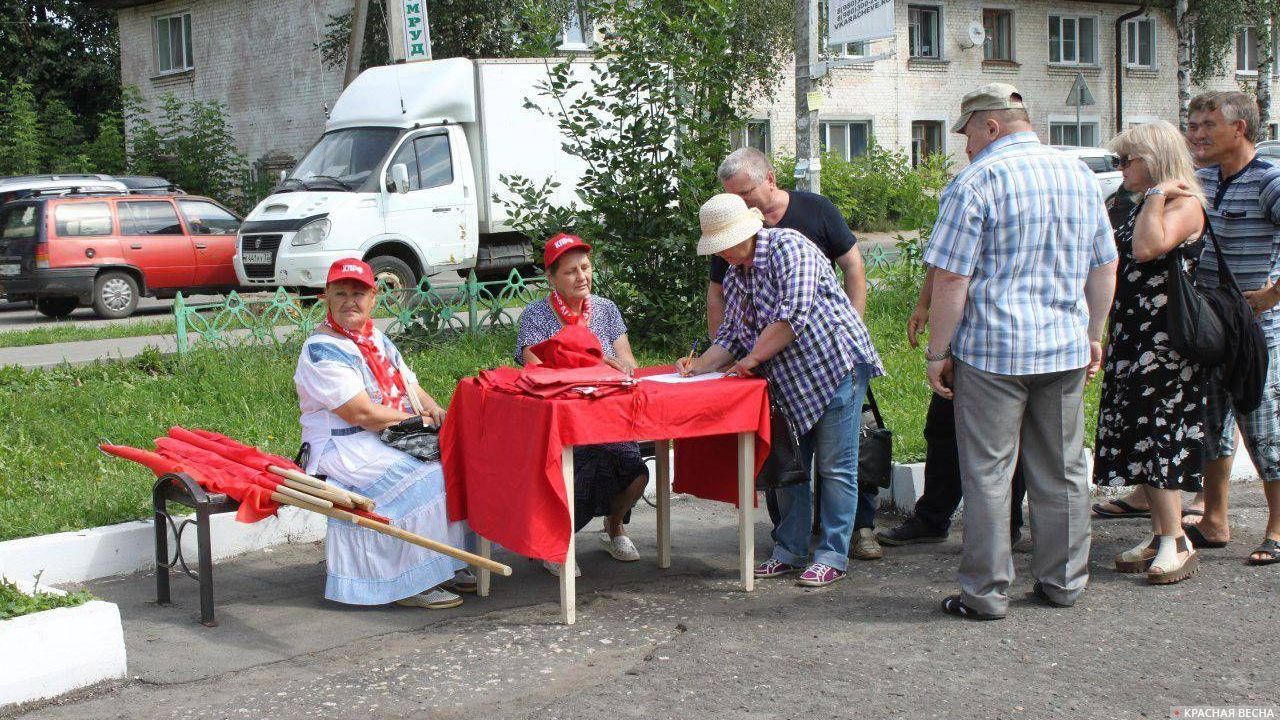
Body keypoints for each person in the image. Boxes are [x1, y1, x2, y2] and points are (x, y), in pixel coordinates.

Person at [923, 83, 1117, 619]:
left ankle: (984, 594)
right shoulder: (1079, 175)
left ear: (991, 125)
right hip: (1063, 348)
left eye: (967, 134)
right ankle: (1063, 583)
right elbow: (1104, 266)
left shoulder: (976, 181)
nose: (965, 146)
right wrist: (1094, 333)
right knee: (1063, 471)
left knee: (988, 472)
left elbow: (951, 279)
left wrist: (938, 351)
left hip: (993, 352)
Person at [679, 193, 884, 588]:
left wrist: (752, 360)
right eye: (716, 249)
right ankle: (788, 551)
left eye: (724, 246)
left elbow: (793, 316)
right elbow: (732, 336)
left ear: (745, 232)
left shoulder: (790, 247)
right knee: (789, 467)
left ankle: (832, 554)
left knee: (835, 466)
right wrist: (698, 365)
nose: (721, 256)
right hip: (790, 381)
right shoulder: (736, 272)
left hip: (835, 365)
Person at [294, 258, 474, 611]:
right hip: (342, 446)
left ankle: (446, 562)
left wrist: (434, 409)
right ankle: (407, 581)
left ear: (373, 298)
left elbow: (411, 385)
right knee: (427, 477)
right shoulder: (320, 348)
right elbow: (359, 412)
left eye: (358, 293)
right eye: (340, 293)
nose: (350, 301)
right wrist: (416, 421)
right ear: (325, 298)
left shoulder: (375, 338)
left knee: (456, 460)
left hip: (382, 434)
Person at [1093, 120, 1208, 584]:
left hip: (1165, 340)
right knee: (1139, 427)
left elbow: (1145, 249)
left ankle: (1175, 539)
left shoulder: (1185, 204)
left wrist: (1159, 192)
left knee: (1159, 432)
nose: (1119, 168)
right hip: (1134, 333)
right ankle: (1161, 531)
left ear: (1155, 161)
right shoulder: (1137, 203)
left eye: (1128, 160)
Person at [1183, 91, 1280, 566]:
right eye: (1194, 124)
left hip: (1261, 334)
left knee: (1264, 429)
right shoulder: (1200, 179)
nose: (1197, 134)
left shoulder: (1270, 181)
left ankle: (1278, 529)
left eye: (1207, 125)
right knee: (1211, 425)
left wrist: (1272, 296)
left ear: (1239, 129)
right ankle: (1214, 520)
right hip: (1210, 328)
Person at [516, 232, 648, 575]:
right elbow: (535, 368)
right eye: (571, 271)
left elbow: (629, 364)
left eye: (585, 268)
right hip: (562, 422)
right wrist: (595, 361)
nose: (581, 277)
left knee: (635, 469)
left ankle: (614, 527)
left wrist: (617, 365)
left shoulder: (605, 310)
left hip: (608, 416)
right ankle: (556, 542)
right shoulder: (535, 315)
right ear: (551, 277)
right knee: (576, 467)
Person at [875, 267, 1029, 550]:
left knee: (1008, 436)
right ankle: (933, 518)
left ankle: (1005, 527)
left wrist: (939, 351)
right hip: (965, 329)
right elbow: (943, 263)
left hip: (1004, 335)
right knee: (944, 426)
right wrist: (924, 304)